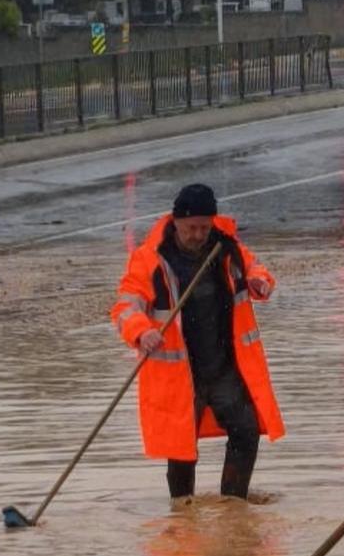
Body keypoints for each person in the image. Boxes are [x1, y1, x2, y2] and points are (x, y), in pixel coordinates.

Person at [111, 184, 285, 500]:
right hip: (181, 375)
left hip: (223, 368)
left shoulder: (226, 247)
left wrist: (261, 282)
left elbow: (255, 267)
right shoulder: (150, 260)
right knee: (181, 448)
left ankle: (233, 503)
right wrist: (141, 331)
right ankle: (182, 507)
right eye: (192, 228)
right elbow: (126, 306)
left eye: (205, 227)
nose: (198, 234)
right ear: (176, 222)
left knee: (246, 432)